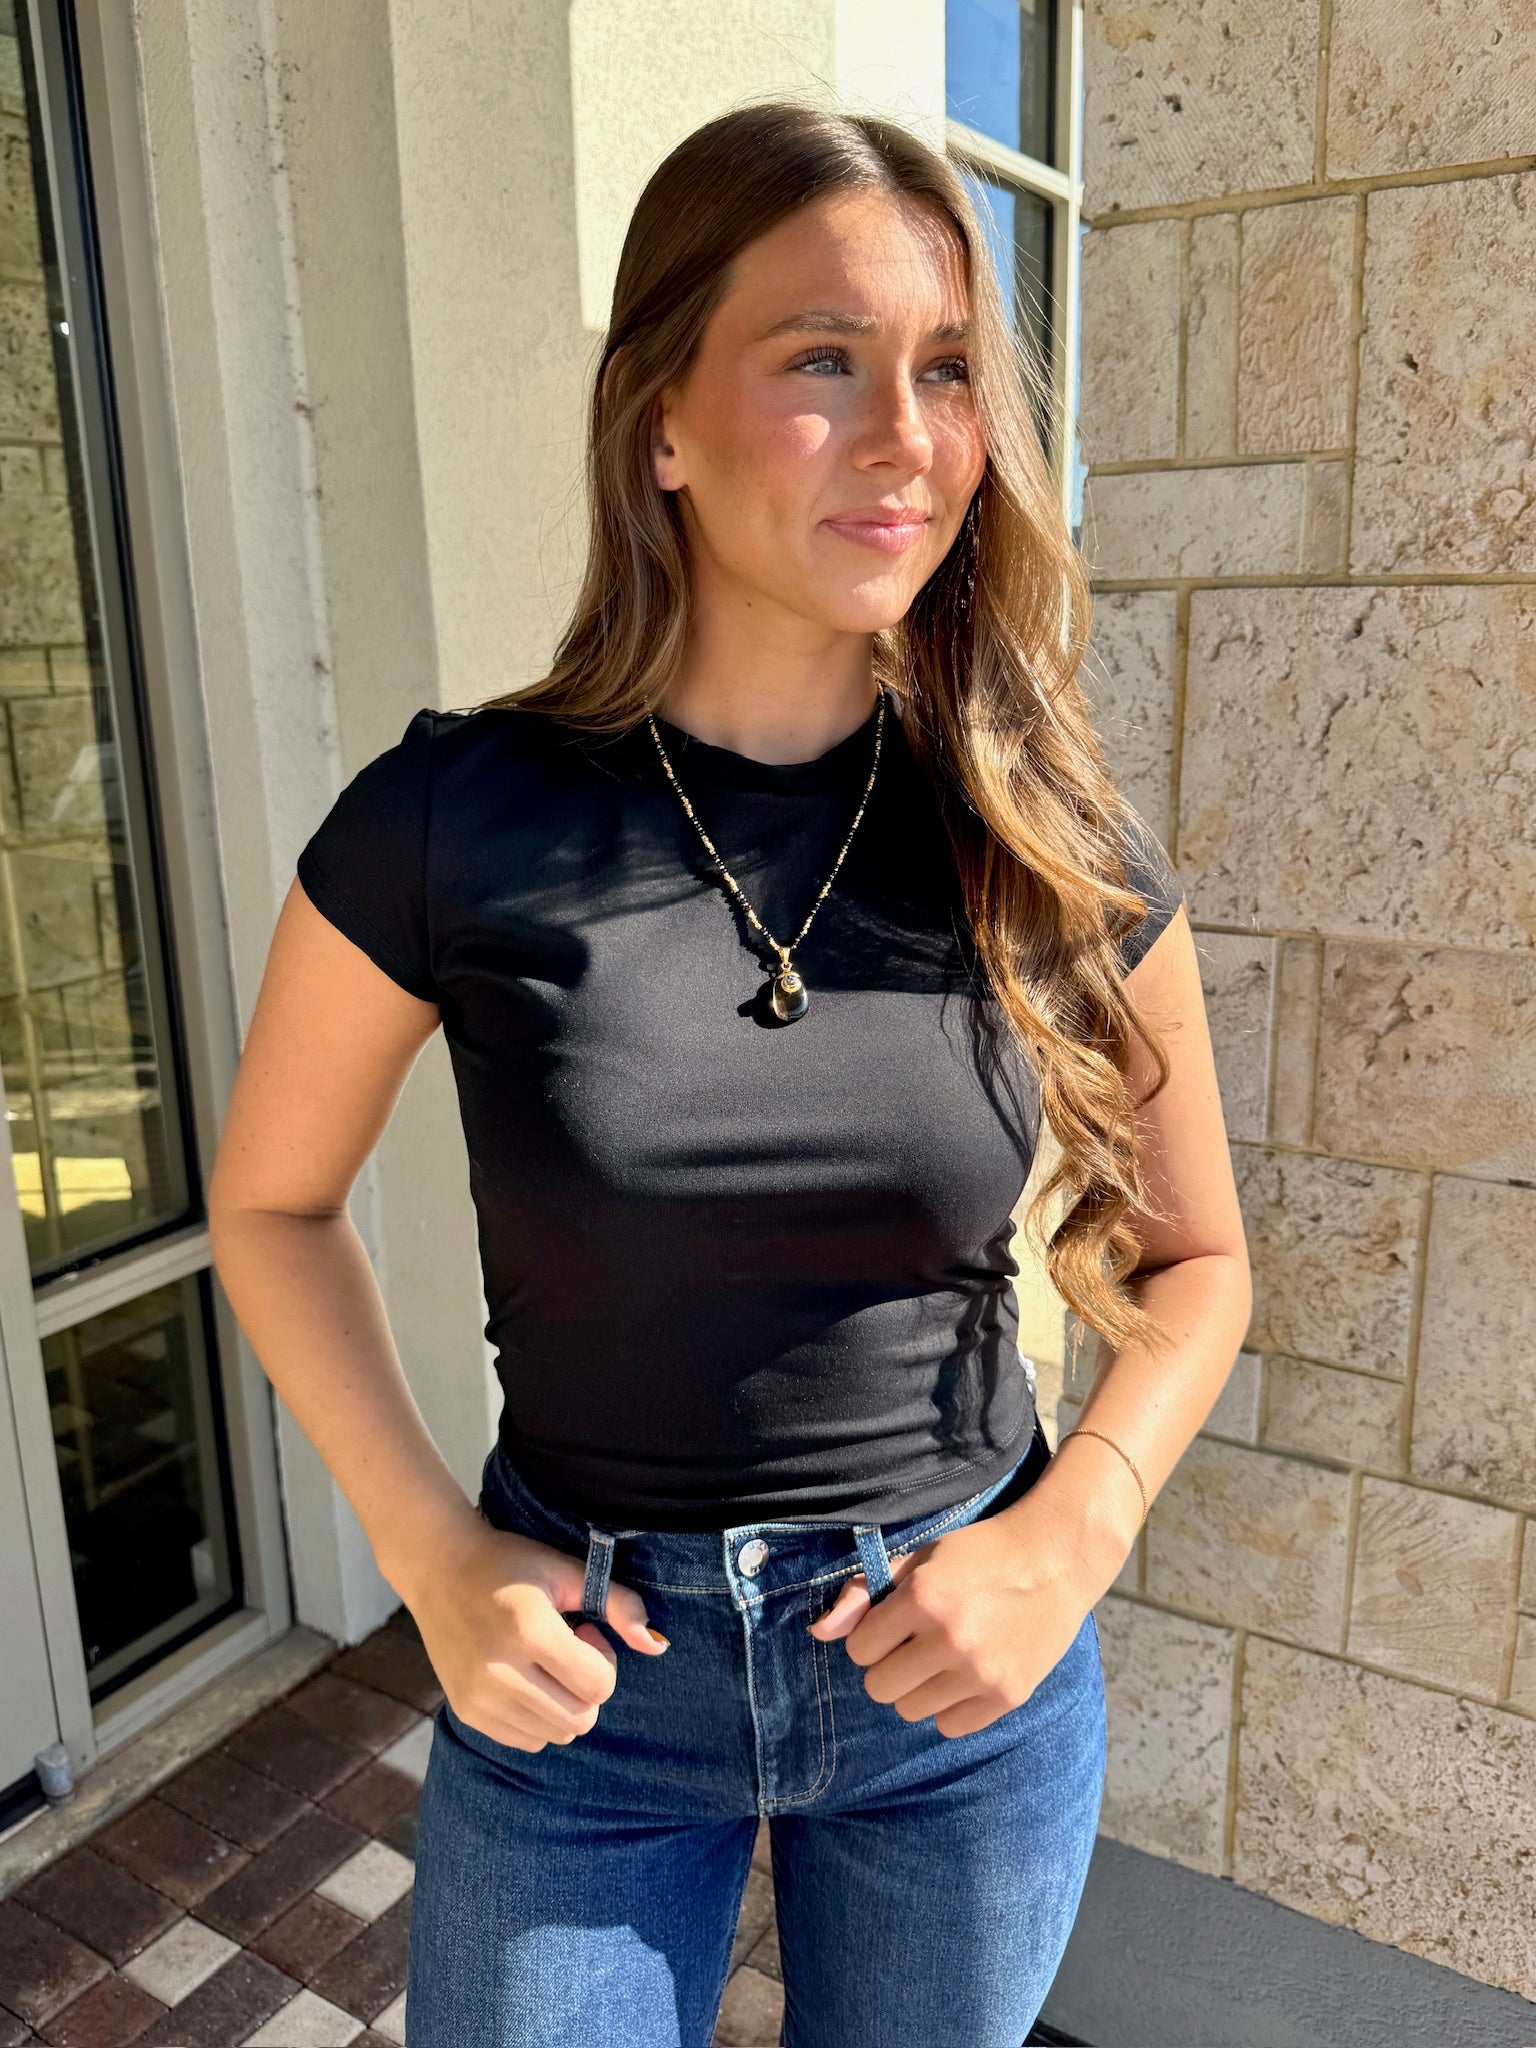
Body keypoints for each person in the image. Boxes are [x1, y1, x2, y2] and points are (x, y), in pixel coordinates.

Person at [209, 100, 1251, 2048]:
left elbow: (1205, 1260)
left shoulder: (1039, 830)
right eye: (822, 362)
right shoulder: (459, 817)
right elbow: (269, 1204)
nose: (911, 431)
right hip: (588, 1697)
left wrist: (1075, 1533)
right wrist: (428, 1551)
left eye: (947, 367)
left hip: (963, 1682)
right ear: (660, 423)